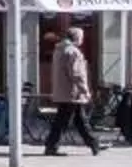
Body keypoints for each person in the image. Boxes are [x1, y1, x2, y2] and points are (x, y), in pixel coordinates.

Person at [42, 26, 103, 157]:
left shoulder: (59, 50)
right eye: (81, 36)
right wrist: (85, 90)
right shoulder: (73, 52)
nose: (82, 39)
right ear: (76, 37)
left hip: (63, 91)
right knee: (67, 120)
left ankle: (93, 143)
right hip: (72, 92)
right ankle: (53, 146)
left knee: (75, 119)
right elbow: (77, 74)